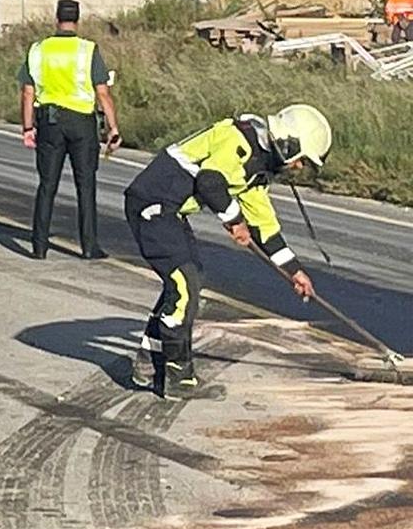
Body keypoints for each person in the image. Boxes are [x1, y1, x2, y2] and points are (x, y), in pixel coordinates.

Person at [123, 105, 329, 397]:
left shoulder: (257, 172)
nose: (298, 169)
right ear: (288, 145)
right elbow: (210, 181)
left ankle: (148, 364)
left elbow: (265, 231)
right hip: (152, 206)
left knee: (183, 285)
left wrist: (294, 271)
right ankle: (178, 378)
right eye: (301, 161)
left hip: (171, 213)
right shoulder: (239, 142)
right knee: (185, 284)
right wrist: (234, 220)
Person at [19, 0, 121, 260]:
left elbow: (27, 91)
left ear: (56, 19)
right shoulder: (87, 50)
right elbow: (103, 93)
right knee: (85, 185)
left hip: (49, 123)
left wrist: (28, 127)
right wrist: (113, 128)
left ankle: (39, 247)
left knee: (47, 185)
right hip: (81, 124)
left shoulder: (39, 49)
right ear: (77, 20)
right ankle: (89, 247)